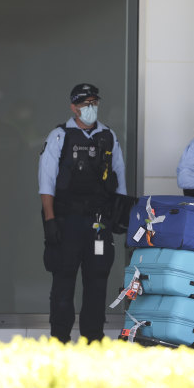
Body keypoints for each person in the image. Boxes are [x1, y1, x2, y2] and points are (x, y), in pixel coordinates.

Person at [38, 83, 127, 343]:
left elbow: (118, 178)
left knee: (97, 281)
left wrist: (119, 216)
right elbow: (46, 183)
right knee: (63, 283)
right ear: (73, 107)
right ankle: (60, 341)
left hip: (99, 223)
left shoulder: (108, 136)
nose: (90, 108)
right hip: (67, 223)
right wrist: (50, 221)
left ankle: (93, 340)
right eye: (85, 103)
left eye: (94, 103)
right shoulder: (59, 136)